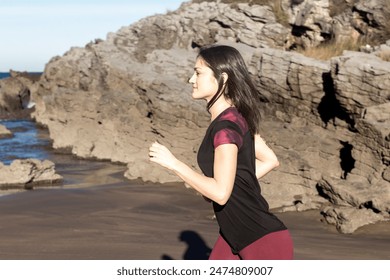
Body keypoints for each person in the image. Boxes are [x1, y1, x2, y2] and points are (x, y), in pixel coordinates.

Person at [149, 44, 293, 260]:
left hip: (260, 240)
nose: (191, 79)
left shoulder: (226, 127)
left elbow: (220, 193)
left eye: (198, 73)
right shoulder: (234, 119)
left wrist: (174, 164)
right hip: (233, 236)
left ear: (223, 79)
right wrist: (224, 186)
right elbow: (270, 160)